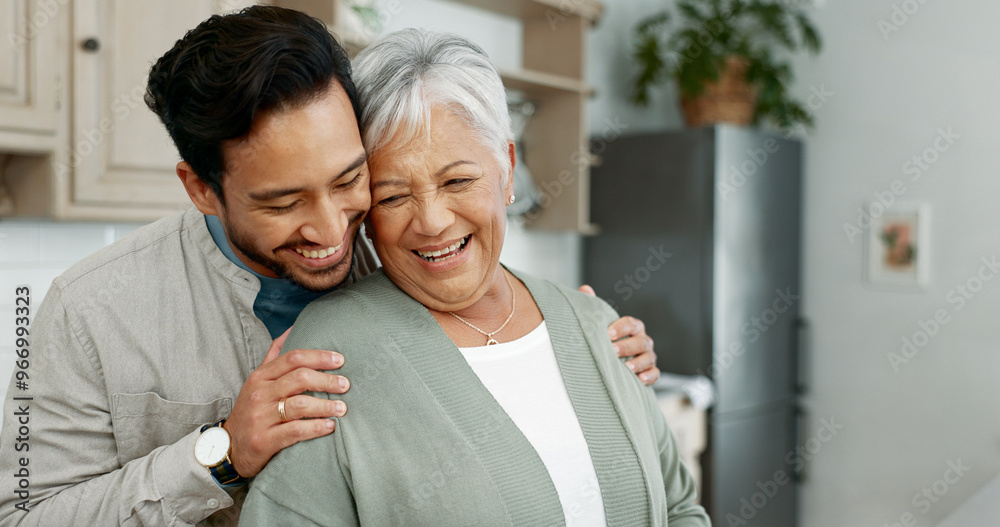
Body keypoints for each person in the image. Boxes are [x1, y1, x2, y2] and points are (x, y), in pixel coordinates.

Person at [0, 7, 660, 526]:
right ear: (201, 189)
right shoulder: (91, 309)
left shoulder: (401, 248)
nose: (330, 228)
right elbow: (24, 515)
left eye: (351, 179)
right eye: (283, 201)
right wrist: (221, 453)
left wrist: (581, 348)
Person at [239, 29, 710, 527]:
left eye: (458, 181)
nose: (433, 221)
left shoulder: (597, 323)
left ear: (506, 171)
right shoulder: (330, 354)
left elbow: (680, 508)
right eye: (394, 196)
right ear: (366, 215)